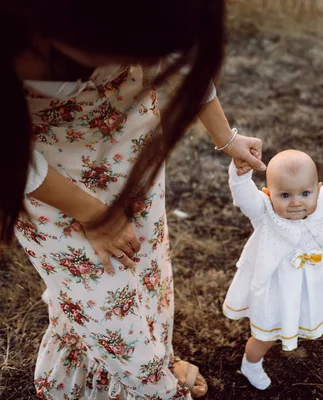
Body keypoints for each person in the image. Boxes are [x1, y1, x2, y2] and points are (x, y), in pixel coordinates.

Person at [1, 1, 266, 398]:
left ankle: (154, 365)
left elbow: (183, 60)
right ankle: (156, 386)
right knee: (104, 308)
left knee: (147, 278)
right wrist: (93, 215)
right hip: (43, 187)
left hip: (131, 160)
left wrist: (225, 137)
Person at [222, 150, 323, 390]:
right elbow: (244, 198)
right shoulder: (265, 211)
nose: (296, 202)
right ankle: (250, 364)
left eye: (305, 193)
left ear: (318, 188)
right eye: (284, 195)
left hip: (308, 283)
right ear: (267, 194)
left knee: (301, 313)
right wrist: (241, 176)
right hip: (275, 287)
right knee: (265, 335)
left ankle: (293, 328)